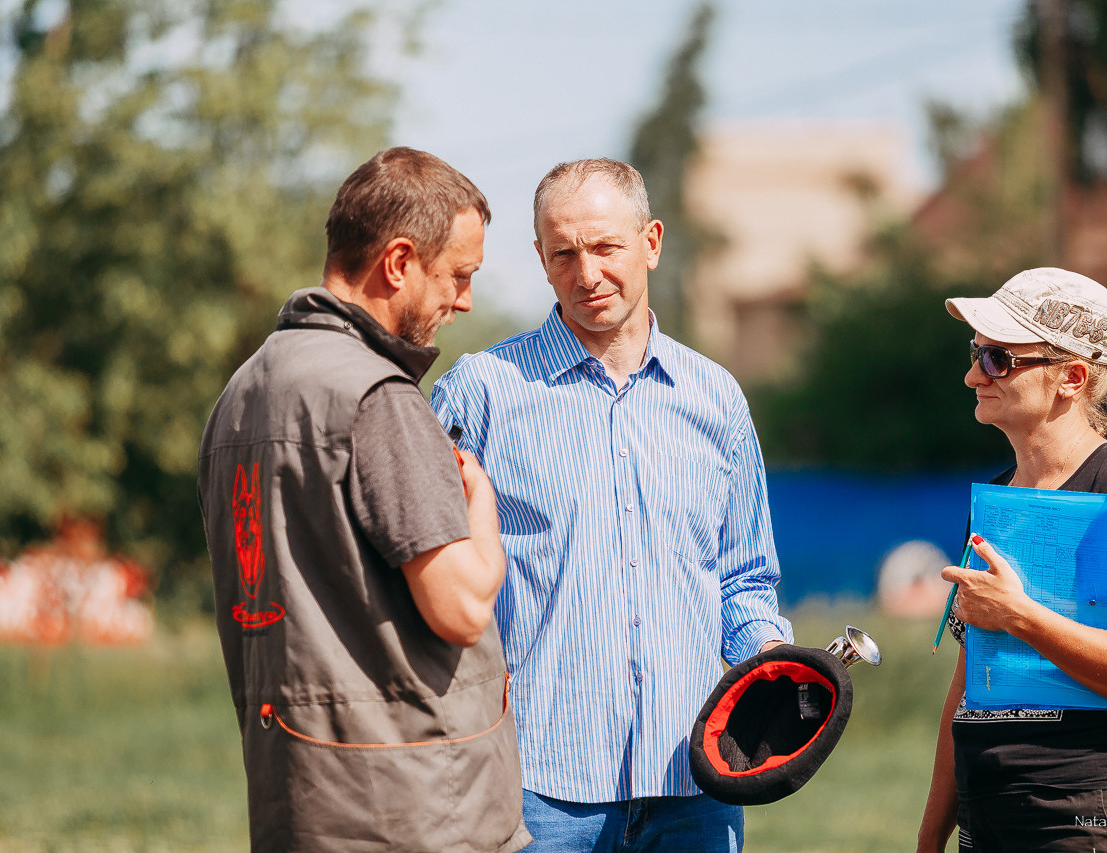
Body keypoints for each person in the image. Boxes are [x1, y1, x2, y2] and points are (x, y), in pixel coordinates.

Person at [431, 158, 793, 852]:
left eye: (605, 246)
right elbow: (427, 577)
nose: (586, 272)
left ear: (651, 242)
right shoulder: (480, 393)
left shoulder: (716, 398)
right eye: (563, 252)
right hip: (534, 785)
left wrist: (772, 656)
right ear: (540, 259)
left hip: (695, 783)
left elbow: (744, 580)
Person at [198, 147, 531, 853]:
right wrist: (483, 507)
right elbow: (462, 605)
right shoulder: (378, 397)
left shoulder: (241, 394)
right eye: (458, 274)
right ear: (400, 262)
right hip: (415, 805)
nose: (465, 299)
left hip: (302, 793)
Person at [916, 268, 1107, 853]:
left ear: (1072, 377)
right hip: (988, 818)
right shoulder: (997, 499)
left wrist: (1019, 615)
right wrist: (932, 833)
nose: (971, 375)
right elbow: (970, 684)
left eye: (998, 360)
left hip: (1091, 819)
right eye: (976, 354)